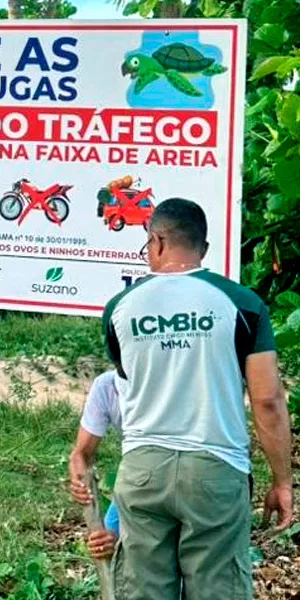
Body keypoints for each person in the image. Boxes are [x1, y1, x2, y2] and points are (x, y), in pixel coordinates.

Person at [101, 198, 293, 600]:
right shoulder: (242, 304)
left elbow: (127, 380)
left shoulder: (120, 309)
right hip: (215, 470)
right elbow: (268, 400)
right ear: (203, 249)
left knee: (144, 590)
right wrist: (282, 480)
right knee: (216, 589)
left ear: (156, 242)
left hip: (143, 470)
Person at [69, 369, 126, 560]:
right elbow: (81, 453)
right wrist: (80, 482)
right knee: (107, 536)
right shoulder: (107, 385)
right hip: (138, 471)